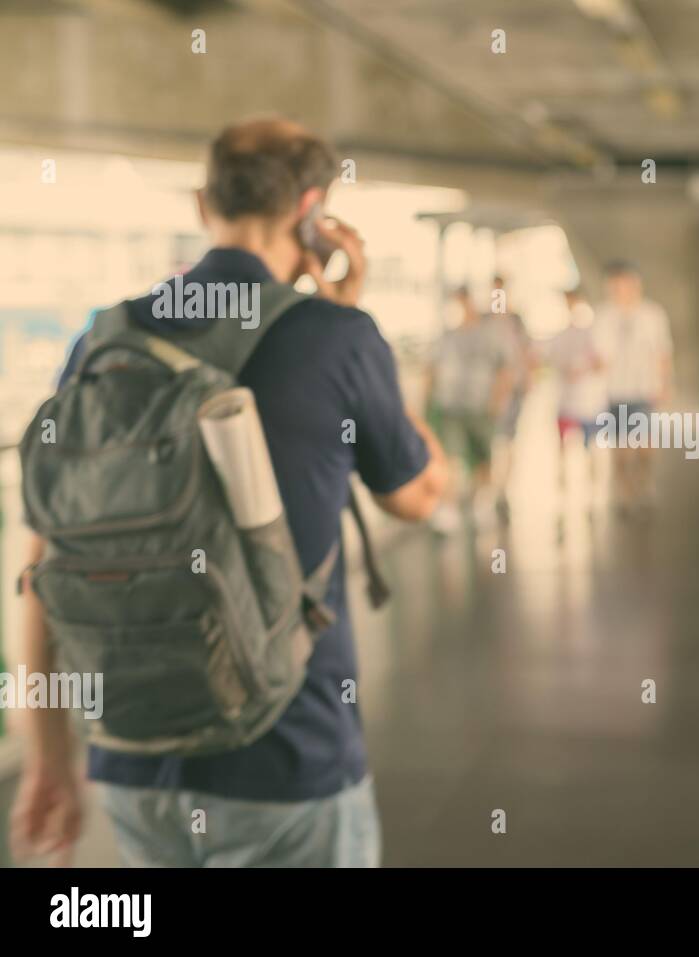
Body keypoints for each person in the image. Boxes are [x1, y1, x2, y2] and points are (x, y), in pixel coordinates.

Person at [9, 115, 449, 867]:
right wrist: (351, 326)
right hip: (287, 754)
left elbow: (42, 567)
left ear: (200, 202)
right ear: (312, 213)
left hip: (131, 758)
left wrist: (49, 756)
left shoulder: (103, 341)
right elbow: (421, 492)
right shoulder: (336, 335)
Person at [425, 286, 515, 531]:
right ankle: (449, 506)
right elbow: (431, 369)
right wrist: (428, 400)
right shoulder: (447, 336)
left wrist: (498, 401)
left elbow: (505, 370)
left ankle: (480, 504)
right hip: (450, 406)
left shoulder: (490, 334)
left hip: (481, 406)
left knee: (483, 459)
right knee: (452, 457)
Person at [591, 260, 674, 516]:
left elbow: (662, 352)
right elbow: (600, 356)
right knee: (621, 449)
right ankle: (625, 495)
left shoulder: (652, 314)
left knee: (645, 446)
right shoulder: (605, 316)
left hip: (644, 389)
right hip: (616, 391)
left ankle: (645, 486)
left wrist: (665, 383)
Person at [545, 287, 606, 504]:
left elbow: (602, 364)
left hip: (589, 402)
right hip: (566, 401)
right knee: (562, 447)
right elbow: (548, 361)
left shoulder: (595, 334)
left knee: (591, 449)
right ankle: (563, 492)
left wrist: (585, 368)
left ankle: (592, 493)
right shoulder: (560, 336)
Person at [485, 275, 534, 524]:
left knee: (508, 440)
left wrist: (527, 379)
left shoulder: (516, 321)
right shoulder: (484, 322)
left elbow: (526, 352)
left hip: (512, 389)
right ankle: (493, 489)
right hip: (490, 391)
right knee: (493, 441)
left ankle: (503, 491)